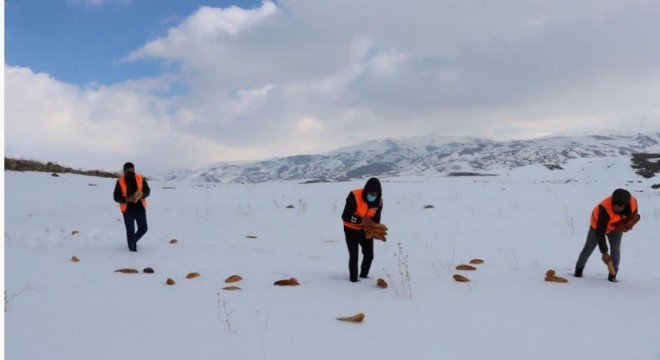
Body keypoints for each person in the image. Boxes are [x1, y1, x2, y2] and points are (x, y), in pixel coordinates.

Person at [574, 188, 638, 282]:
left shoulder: (633, 203)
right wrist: (604, 252)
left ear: (625, 205)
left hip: (616, 227)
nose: (616, 208)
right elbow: (600, 231)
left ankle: (612, 276)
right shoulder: (605, 209)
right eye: (614, 206)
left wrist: (628, 225)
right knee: (588, 248)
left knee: (615, 250)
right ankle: (578, 272)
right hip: (597, 226)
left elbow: (633, 217)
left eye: (619, 207)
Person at [341, 177, 383, 282]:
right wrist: (362, 220)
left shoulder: (379, 202)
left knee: (369, 255)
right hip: (350, 230)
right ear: (365, 191)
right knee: (354, 256)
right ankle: (353, 281)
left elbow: (376, 219)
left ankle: (364, 277)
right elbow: (345, 216)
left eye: (375, 194)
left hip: (365, 231)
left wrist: (376, 231)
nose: (373, 196)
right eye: (371, 193)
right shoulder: (354, 196)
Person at [113, 162, 150, 252]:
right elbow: (116, 197)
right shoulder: (120, 181)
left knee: (143, 228)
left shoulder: (140, 178)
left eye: (131, 170)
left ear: (133, 169)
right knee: (130, 230)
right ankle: (132, 249)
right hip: (127, 210)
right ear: (124, 171)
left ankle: (132, 241)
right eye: (127, 170)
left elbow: (147, 191)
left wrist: (141, 195)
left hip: (140, 208)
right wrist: (127, 199)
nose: (129, 171)